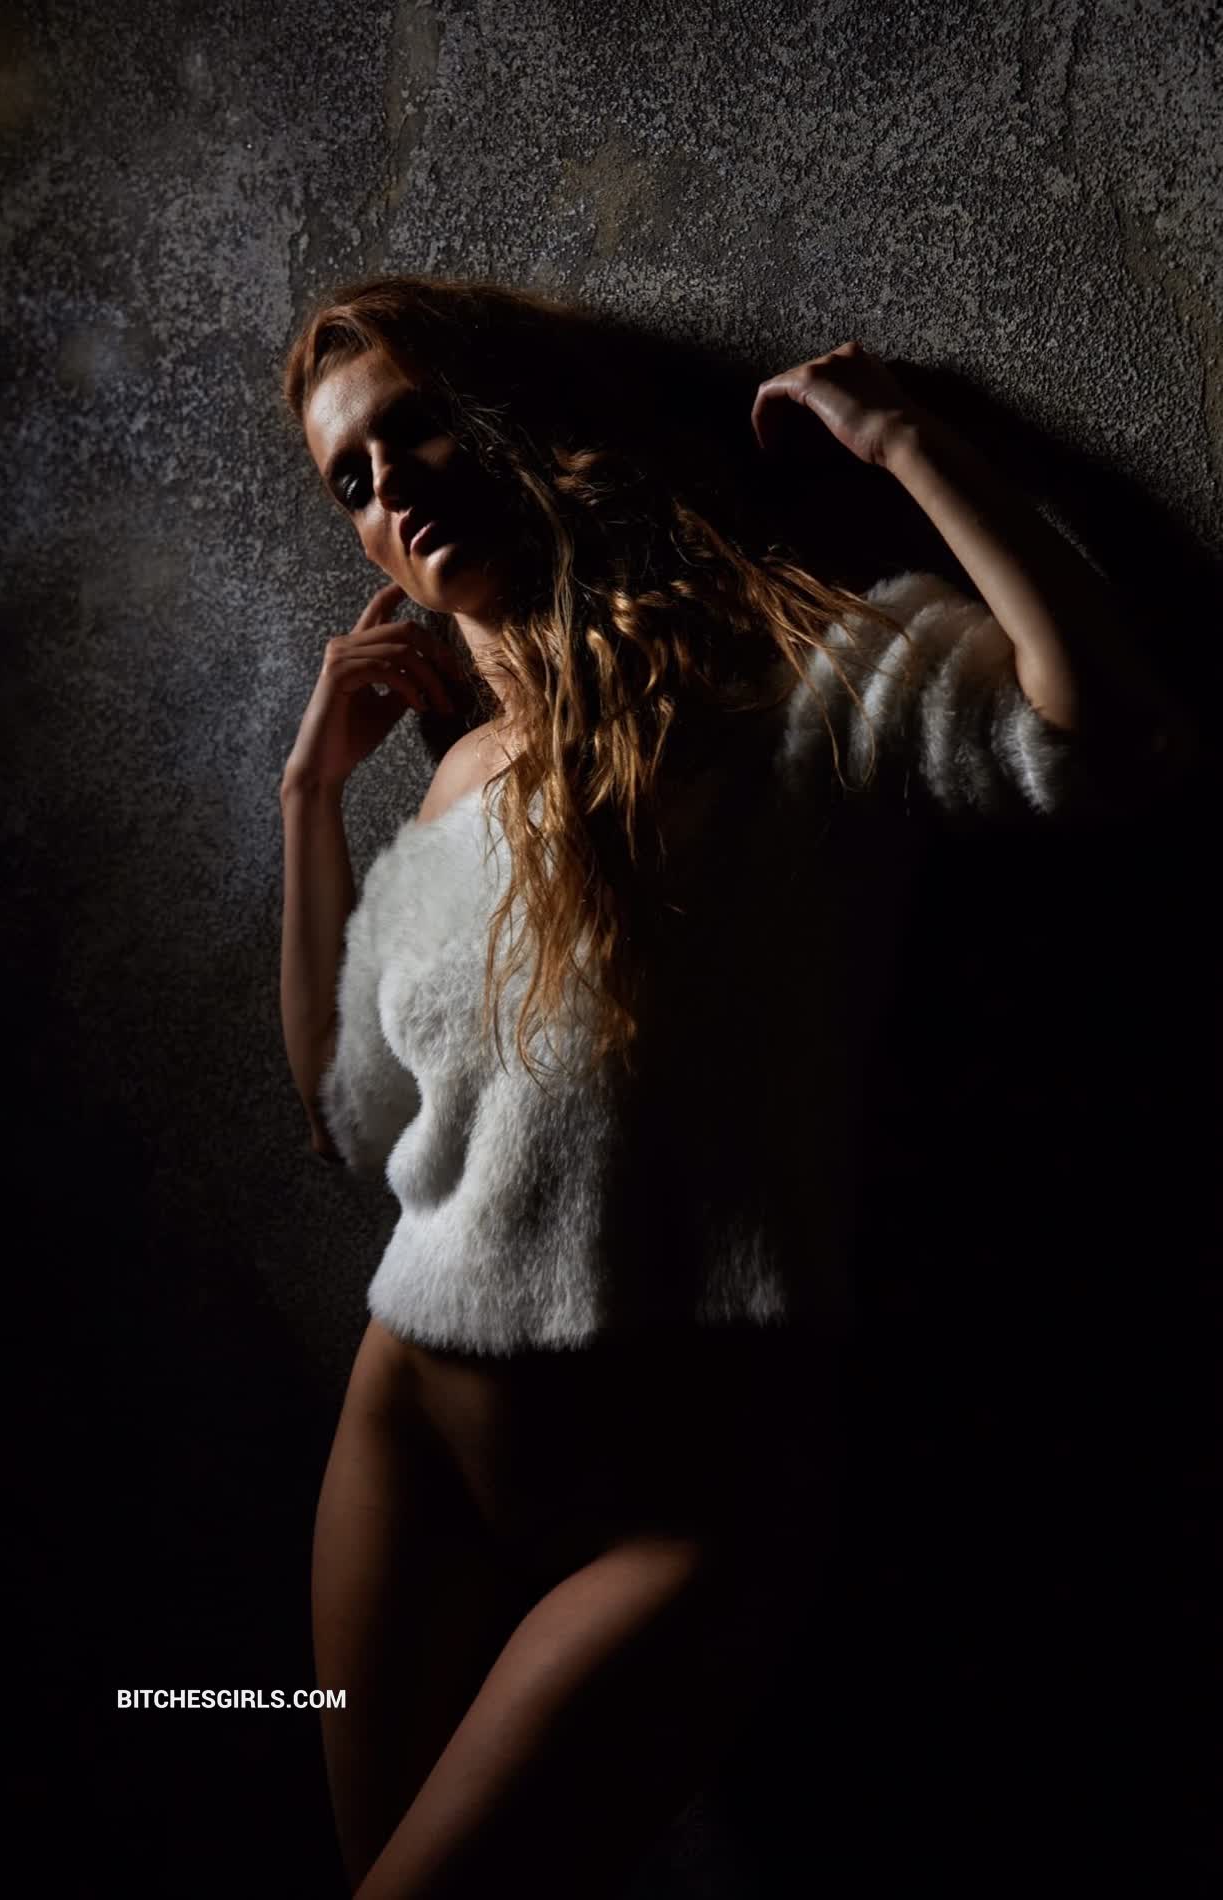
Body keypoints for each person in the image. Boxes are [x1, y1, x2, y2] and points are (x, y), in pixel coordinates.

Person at [277, 276, 1195, 1897]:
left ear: (509, 412)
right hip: (405, 1440)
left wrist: (910, 443)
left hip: (688, 1501)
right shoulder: (462, 776)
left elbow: (1106, 739)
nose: (389, 485)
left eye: (410, 427)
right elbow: (343, 1107)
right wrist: (308, 800)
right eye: (350, 478)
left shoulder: (779, 671)